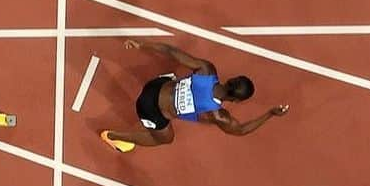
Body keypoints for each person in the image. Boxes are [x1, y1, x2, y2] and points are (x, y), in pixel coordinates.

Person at [99, 39, 289, 154]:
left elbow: (172, 52)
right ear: (236, 101)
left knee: (176, 76)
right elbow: (240, 130)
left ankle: (167, 82)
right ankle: (113, 136)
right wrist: (270, 114)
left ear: (232, 79)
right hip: (148, 108)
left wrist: (142, 44)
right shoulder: (218, 116)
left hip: (155, 85)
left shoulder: (207, 70)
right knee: (165, 139)